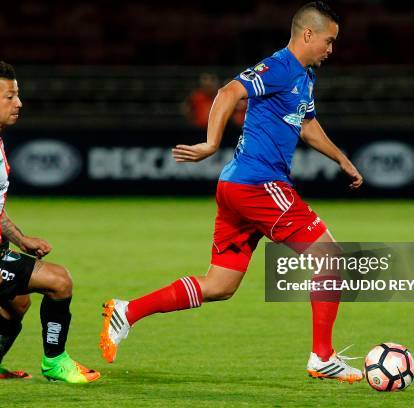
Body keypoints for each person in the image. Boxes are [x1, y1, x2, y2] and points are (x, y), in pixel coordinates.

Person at [100, 1, 363, 383]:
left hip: (239, 187)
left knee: (220, 286)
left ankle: (127, 311)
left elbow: (306, 125)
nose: (331, 49)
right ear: (308, 34)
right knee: (330, 257)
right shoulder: (278, 66)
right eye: (329, 40)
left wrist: (342, 158)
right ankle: (322, 356)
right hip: (259, 184)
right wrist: (210, 143)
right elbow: (227, 92)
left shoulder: (304, 77)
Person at [0, 60, 100, 384]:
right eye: (10, 96)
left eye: (18, 96)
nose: (19, 103)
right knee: (60, 281)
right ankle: (56, 363)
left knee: (17, 304)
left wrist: (20, 238)